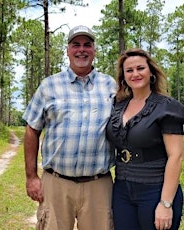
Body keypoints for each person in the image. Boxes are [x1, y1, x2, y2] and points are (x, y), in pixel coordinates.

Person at [22, 25, 117, 230]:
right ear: (67, 50)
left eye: (87, 45)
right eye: (76, 45)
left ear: (94, 50)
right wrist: (31, 177)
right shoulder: (49, 86)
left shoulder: (110, 86)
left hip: (98, 185)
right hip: (56, 182)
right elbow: (32, 129)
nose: (81, 50)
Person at [106, 48, 184, 230]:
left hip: (155, 190)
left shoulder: (166, 108)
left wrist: (165, 204)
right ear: (123, 76)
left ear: (151, 72)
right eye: (129, 70)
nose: (135, 74)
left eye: (140, 68)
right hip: (122, 190)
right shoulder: (118, 106)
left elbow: (176, 156)